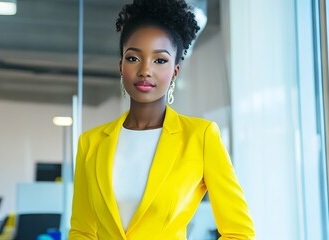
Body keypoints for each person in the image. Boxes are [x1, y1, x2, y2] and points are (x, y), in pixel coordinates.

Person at [69, 0, 255, 239]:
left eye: (160, 60)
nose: (145, 70)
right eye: (133, 58)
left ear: (175, 71)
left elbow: (240, 233)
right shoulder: (91, 143)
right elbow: (82, 231)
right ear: (121, 66)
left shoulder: (201, 137)